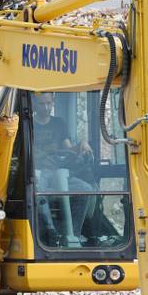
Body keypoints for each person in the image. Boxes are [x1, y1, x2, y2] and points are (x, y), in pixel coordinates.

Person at [32, 93, 96, 247]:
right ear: (34, 103)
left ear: (53, 101)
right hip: (36, 173)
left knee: (85, 189)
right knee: (38, 188)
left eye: (49, 103)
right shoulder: (28, 125)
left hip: (58, 173)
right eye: (42, 104)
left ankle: (73, 235)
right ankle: (51, 232)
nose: (46, 108)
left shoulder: (59, 124)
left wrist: (82, 144)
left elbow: (68, 149)